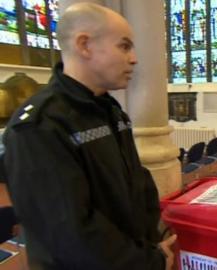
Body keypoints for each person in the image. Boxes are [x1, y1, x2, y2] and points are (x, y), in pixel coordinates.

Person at [2, 3, 176, 270]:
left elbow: (138, 184)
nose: (134, 58)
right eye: (124, 46)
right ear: (84, 45)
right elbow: (70, 233)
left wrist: (151, 244)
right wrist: (148, 262)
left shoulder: (109, 109)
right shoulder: (39, 126)